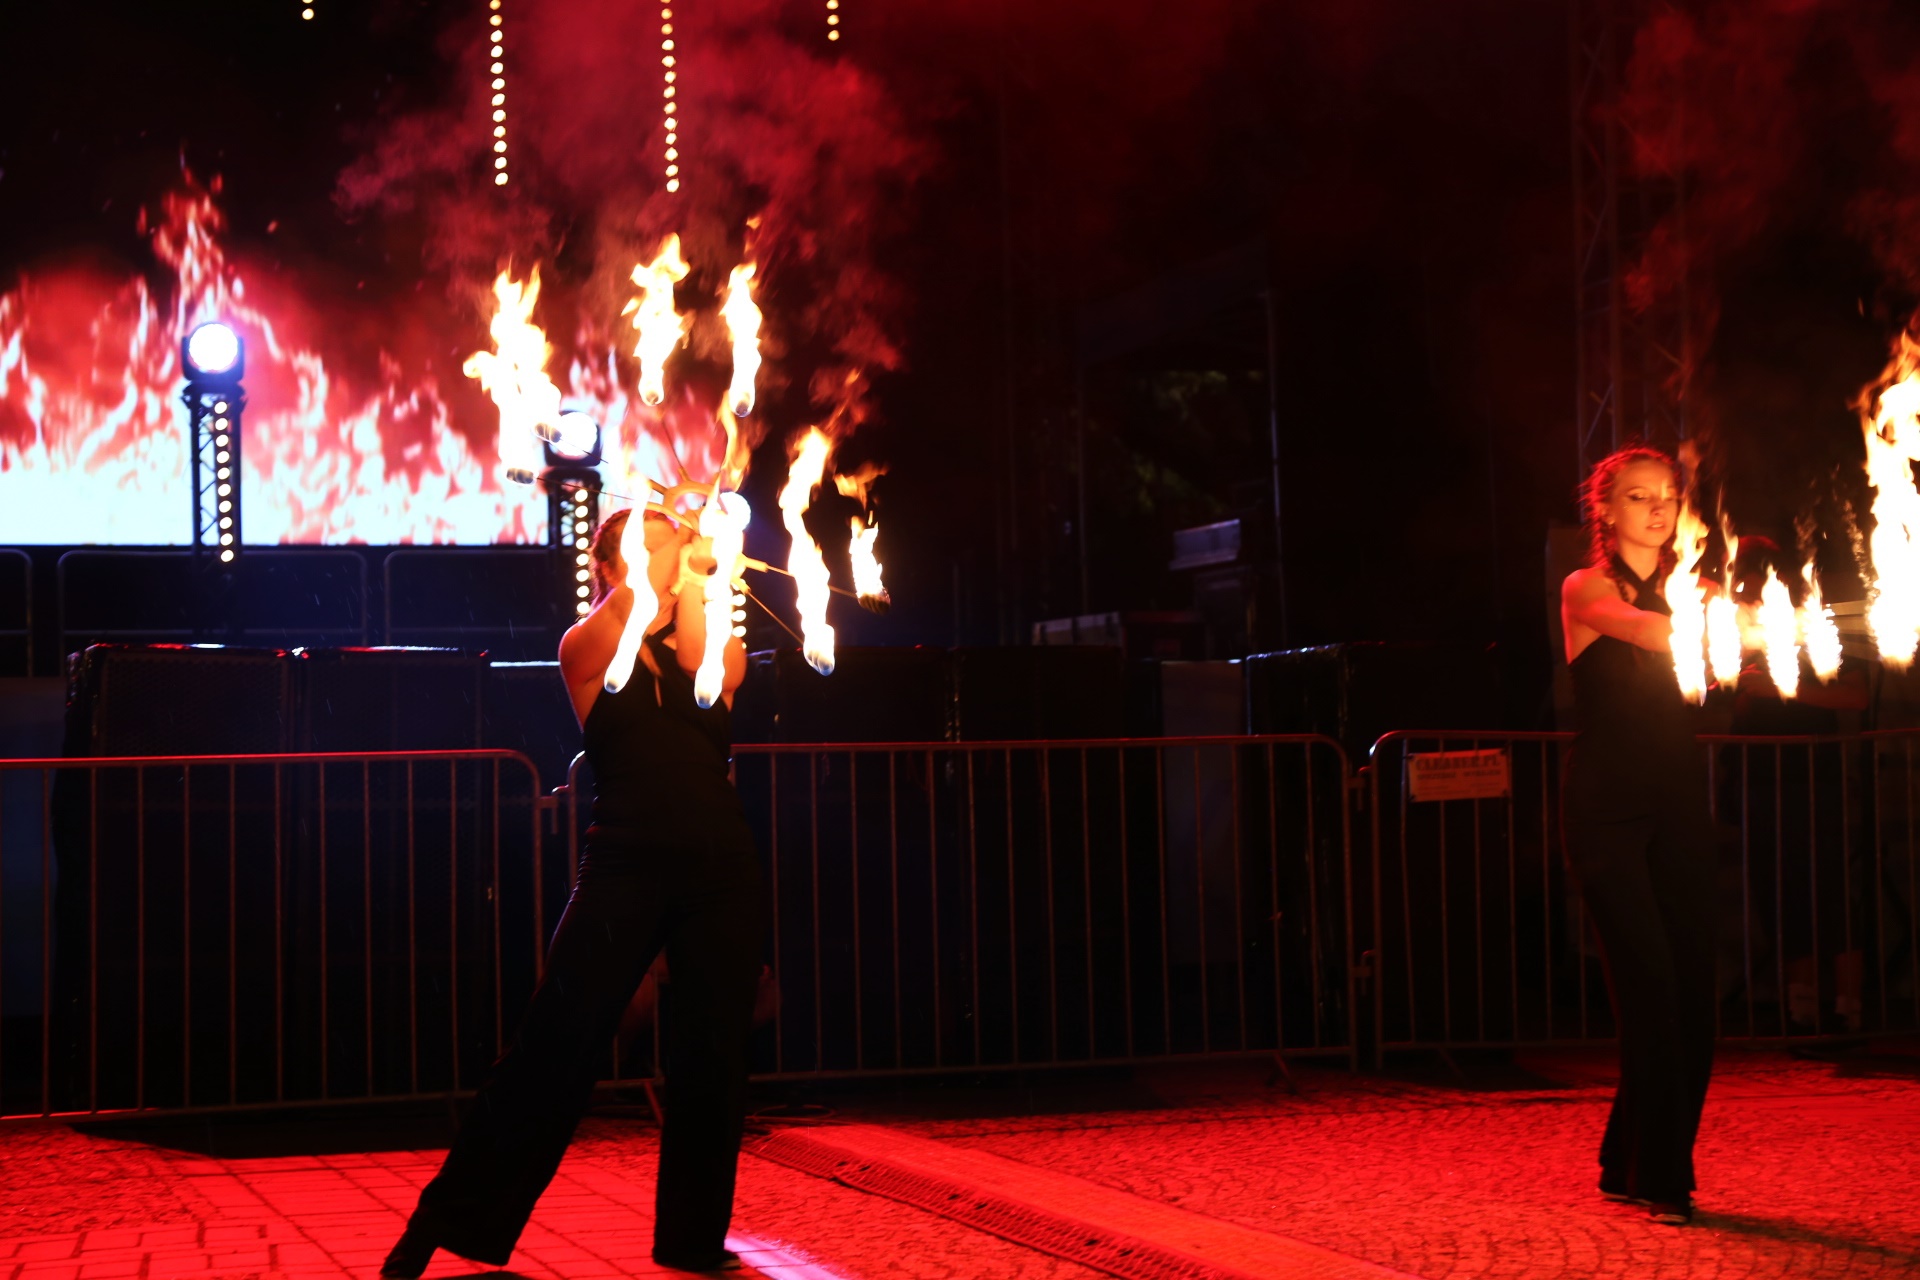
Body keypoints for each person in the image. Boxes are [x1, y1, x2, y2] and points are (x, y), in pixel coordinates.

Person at [381, 504, 766, 1276]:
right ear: (613, 568)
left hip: (720, 865)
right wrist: (661, 564)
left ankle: (692, 1240)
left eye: (671, 542)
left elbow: (706, 663)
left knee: (713, 1054)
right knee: (555, 1044)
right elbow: (629, 614)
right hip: (624, 861)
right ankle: (446, 1223)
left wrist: (697, 570)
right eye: (648, 546)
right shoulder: (586, 645)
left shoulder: (716, 647)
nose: (670, 554)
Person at [1559, 444, 1717, 1226]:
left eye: (1667, 495)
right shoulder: (1587, 587)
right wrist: (1731, 623)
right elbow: (1650, 633)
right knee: (1650, 990)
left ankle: (1624, 1156)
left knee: (1694, 995)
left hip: (1680, 803)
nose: (1657, 508)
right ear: (1606, 509)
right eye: (1638, 495)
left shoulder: (1701, 592)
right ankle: (1660, 1176)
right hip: (1608, 810)